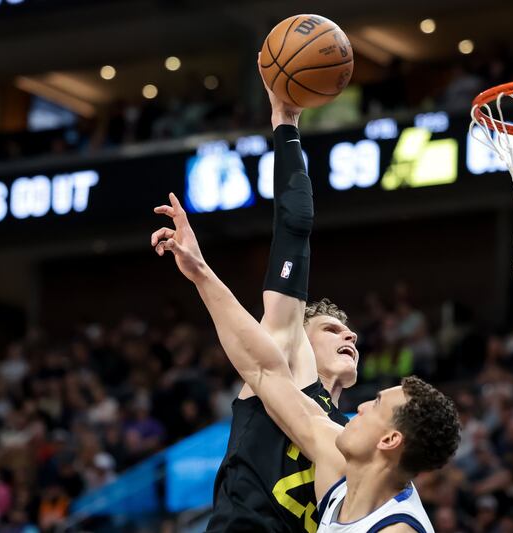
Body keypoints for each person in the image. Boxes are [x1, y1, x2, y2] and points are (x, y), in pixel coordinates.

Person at [151, 189, 461, 531]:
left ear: (389, 440)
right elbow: (263, 370)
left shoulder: (396, 528)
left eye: (374, 404)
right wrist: (199, 272)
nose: (359, 409)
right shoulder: (334, 459)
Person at [151, 56, 357, 531]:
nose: (349, 336)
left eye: (350, 332)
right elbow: (296, 227)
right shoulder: (285, 366)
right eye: (332, 328)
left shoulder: (353, 435)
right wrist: (285, 125)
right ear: (301, 340)